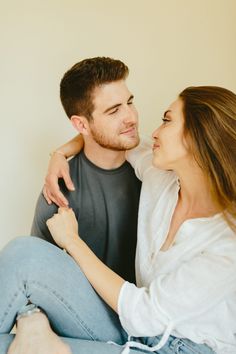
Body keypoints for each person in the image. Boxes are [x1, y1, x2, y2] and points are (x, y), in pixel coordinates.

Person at [0, 86, 235, 354]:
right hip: (136, 331)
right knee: (24, 254)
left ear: (198, 136)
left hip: (183, 347)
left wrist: (73, 242)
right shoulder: (161, 178)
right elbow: (115, 140)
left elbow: (145, 313)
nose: (154, 131)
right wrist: (60, 154)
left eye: (167, 120)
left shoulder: (228, 241)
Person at [31, 56, 141, 284]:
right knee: (20, 251)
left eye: (129, 102)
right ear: (81, 125)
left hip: (146, 311)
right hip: (86, 314)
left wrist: (59, 152)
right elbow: (36, 270)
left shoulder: (153, 168)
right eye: (114, 111)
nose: (131, 117)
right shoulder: (58, 190)